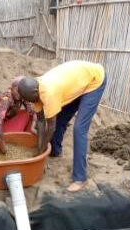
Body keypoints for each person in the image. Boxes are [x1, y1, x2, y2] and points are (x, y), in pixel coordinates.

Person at [18, 60, 107, 192]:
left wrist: (40, 150)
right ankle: (55, 151)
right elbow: (41, 121)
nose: (30, 103)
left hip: (94, 80)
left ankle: (80, 178)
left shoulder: (48, 93)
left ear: (35, 91)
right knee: (60, 119)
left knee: (79, 129)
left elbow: (51, 126)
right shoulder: (35, 90)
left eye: (30, 100)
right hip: (77, 81)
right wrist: (40, 148)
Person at [0, 76, 37, 154]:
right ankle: (14, 137)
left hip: (9, 119)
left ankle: (28, 135)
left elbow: (31, 110)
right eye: (17, 90)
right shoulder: (6, 99)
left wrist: (33, 127)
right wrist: (2, 145)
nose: (19, 93)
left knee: (28, 114)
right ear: (12, 88)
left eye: (21, 91)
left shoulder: (23, 95)